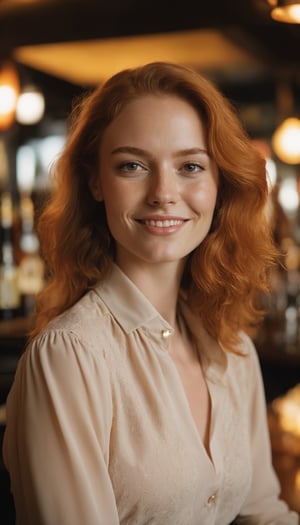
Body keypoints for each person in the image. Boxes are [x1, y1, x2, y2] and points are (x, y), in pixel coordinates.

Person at [3, 61, 298, 525]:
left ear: (218, 185)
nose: (164, 192)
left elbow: (261, 512)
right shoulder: (69, 358)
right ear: (96, 182)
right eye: (133, 165)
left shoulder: (232, 346)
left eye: (190, 166)